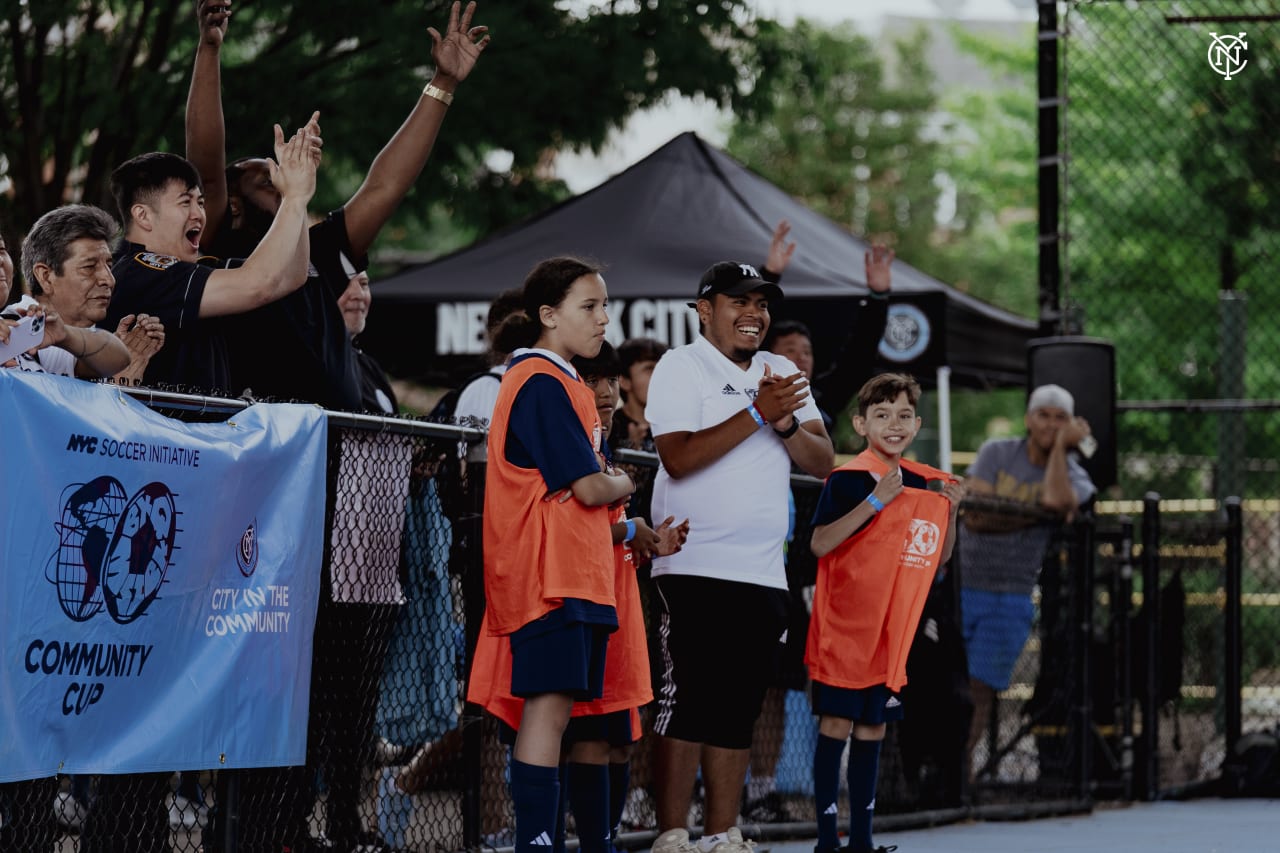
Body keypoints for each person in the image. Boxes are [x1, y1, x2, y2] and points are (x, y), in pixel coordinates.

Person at [186, 0, 488, 410]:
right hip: (256, 443)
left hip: (336, 452)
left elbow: (384, 186)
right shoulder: (226, 245)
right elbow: (205, 171)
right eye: (264, 179)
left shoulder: (319, 248)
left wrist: (443, 84)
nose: (279, 176)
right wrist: (209, 48)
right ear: (233, 205)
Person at [645, 261, 834, 853]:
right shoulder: (683, 364)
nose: (754, 313)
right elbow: (678, 457)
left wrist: (780, 424)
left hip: (761, 572)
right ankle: (673, 834)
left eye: (762, 303)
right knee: (688, 704)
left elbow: (823, 461)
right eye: (739, 301)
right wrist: (758, 412)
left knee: (737, 707)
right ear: (705, 310)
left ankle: (723, 834)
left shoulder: (781, 370)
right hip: (692, 564)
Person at [464, 256, 634, 853]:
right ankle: (535, 843)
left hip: (574, 573)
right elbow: (590, 485)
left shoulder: (562, 380)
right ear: (547, 314)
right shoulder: (539, 381)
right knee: (546, 712)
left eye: (605, 306)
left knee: (559, 713)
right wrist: (623, 483)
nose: (602, 319)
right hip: (547, 575)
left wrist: (606, 478)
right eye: (588, 307)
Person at [749, 230, 895, 817]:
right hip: (760, 552)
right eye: (789, 353)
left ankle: (809, 792)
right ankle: (745, 790)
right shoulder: (747, 393)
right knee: (757, 678)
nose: (800, 362)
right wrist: (769, 277)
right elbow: (748, 332)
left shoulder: (824, 402)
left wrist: (878, 296)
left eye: (807, 355)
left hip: (816, 557)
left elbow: (859, 356)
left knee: (808, 675)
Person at [806, 373, 964, 853]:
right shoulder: (847, 479)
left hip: (891, 633)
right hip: (845, 629)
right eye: (881, 415)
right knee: (836, 725)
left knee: (873, 727)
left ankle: (861, 841)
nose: (893, 425)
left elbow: (938, 558)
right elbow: (820, 543)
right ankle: (825, 841)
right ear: (861, 423)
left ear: (916, 425)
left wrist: (951, 514)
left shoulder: (922, 481)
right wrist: (877, 502)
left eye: (902, 417)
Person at [102, 127, 319, 395]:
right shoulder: (139, 271)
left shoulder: (185, 268)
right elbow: (256, 285)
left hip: (199, 434)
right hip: (164, 434)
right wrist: (294, 197)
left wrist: (298, 192)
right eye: (185, 203)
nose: (199, 214)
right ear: (143, 216)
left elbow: (292, 275)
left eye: (201, 202)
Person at [957, 383, 1096, 776]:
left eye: (1060, 418)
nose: (1050, 423)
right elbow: (977, 516)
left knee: (979, 689)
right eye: (1043, 415)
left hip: (1011, 594)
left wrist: (1057, 455)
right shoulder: (996, 452)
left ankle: (960, 775)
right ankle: (928, 770)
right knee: (943, 680)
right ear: (1028, 419)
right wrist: (1038, 513)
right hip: (962, 584)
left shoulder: (1073, 474)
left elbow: (1057, 499)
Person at [6, 205, 137, 378]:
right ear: (46, 277)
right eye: (89, 267)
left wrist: (66, 335)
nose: (109, 280)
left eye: (109, 266)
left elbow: (119, 358)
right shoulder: (12, 327)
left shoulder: (64, 336)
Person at [610, 337, 669, 453]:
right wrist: (631, 449)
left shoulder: (677, 427)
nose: (661, 375)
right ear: (624, 381)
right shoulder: (609, 427)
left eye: (664, 367)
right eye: (649, 369)